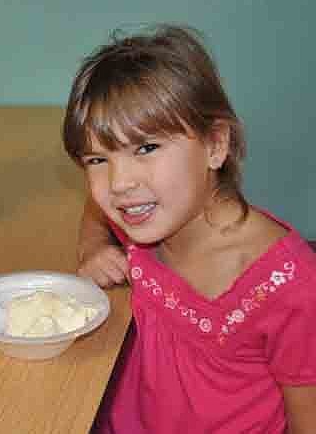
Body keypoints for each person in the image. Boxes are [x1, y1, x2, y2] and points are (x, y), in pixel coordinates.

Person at [62, 24, 316, 433]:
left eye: (146, 148)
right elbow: (96, 208)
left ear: (216, 144)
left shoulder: (293, 288)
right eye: (97, 160)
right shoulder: (142, 216)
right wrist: (92, 249)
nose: (119, 183)